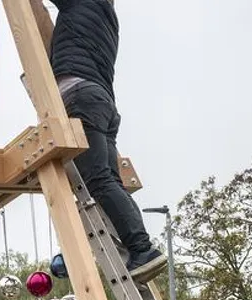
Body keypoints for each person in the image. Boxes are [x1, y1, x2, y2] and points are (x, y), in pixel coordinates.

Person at [47, 0, 167, 283]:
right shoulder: (106, 13)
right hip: (100, 103)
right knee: (107, 179)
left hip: (81, 97)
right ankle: (139, 249)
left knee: (99, 180)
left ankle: (141, 248)